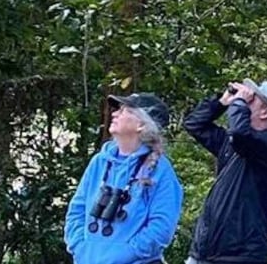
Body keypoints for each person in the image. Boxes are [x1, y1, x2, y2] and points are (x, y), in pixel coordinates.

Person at [184, 78, 267, 264]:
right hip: (205, 252)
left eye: (251, 100)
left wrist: (239, 103)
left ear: (265, 112)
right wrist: (221, 102)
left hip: (240, 256)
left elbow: (240, 134)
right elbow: (194, 124)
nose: (242, 100)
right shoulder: (233, 144)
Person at [65, 92, 184, 264]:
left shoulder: (161, 171)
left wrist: (125, 254)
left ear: (141, 125)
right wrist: (81, 249)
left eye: (124, 111)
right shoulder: (100, 161)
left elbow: (161, 228)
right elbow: (77, 209)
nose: (114, 114)